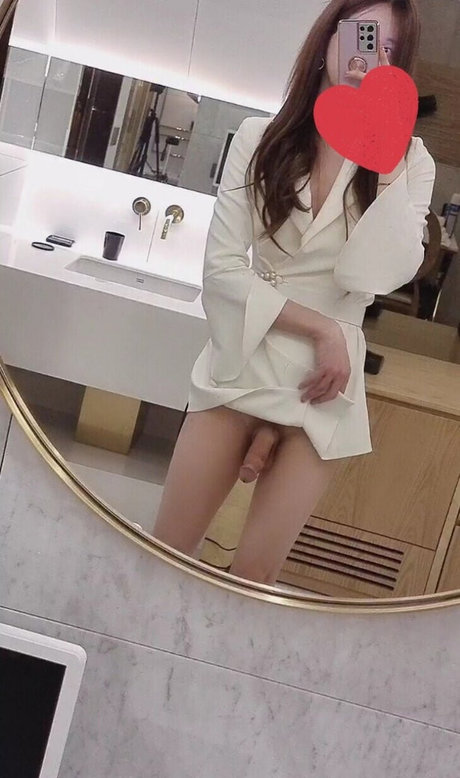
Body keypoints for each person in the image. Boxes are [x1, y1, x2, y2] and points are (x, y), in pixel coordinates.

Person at [153, 0, 436, 585]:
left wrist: (384, 154)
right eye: (362, 35)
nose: (369, 57)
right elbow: (222, 271)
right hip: (247, 357)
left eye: (388, 49)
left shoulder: (411, 160)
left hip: (323, 386)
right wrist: (321, 328)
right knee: (166, 554)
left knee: (256, 579)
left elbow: (382, 276)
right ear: (328, 37)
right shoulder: (261, 137)